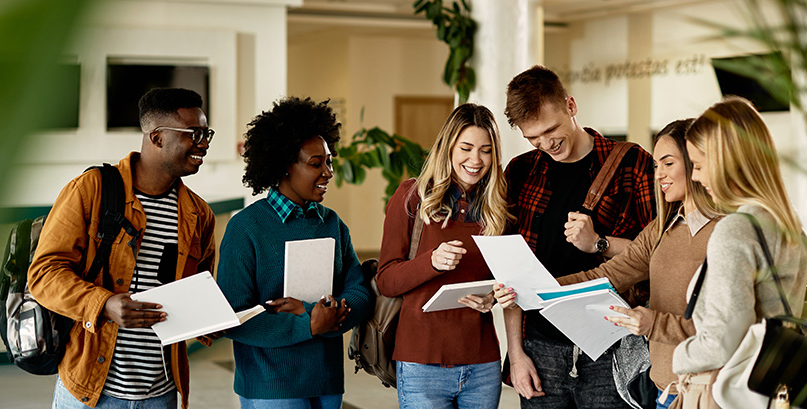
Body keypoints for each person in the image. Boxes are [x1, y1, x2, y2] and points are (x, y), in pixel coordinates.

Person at [497, 119, 720, 409]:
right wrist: (531, 291)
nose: (659, 175)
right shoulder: (661, 228)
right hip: (665, 390)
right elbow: (607, 275)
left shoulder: (725, 231)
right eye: (656, 166)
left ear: (697, 163)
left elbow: (725, 327)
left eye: (668, 163)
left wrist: (654, 324)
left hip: (712, 390)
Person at [27, 88, 217, 408]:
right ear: (157, 137)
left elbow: (199, 289)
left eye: (206, 132)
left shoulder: (199, 214)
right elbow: (44, 274)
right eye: (194, 133)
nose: (205, 143)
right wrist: (105, 304)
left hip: (162, 393)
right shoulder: (91, 189)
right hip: (89, 391)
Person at [498, 65, 656, 409]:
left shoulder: (632, 164)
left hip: (611, 346)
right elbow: (511, 274)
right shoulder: (521, 171)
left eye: (551, 129)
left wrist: (599, 243)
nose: (546, 143)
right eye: (533, 138)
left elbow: (657, 257)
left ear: (571, 105)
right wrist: (515, 354)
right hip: (540, 348)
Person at [216, 97, 373, 409]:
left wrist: (316, 311)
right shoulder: (246, 228)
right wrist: (311, 324)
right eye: (316, 164)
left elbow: (360, 293)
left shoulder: (332, 224)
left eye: (330, 161)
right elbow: (232, 318)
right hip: (270, 386)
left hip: (326, 380)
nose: (328, 172)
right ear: (284, 166)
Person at [376, 103, 514, 409]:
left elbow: (504, 278)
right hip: (421, 363)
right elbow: (386, 281)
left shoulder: (498, 208)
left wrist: (492, 296)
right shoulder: (412, 197)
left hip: (482, 363)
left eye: (486, 150)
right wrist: (431, 262)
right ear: (447, 146)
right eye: (466, 148)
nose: (476, 160)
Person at [671, 96, 807, 406]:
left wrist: (679, 355)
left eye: (700, 165)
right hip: (770, 388)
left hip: (720, 389)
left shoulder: (736, 229)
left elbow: (722, 341)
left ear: (726, 163)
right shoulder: (789, 226)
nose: (695, 177)